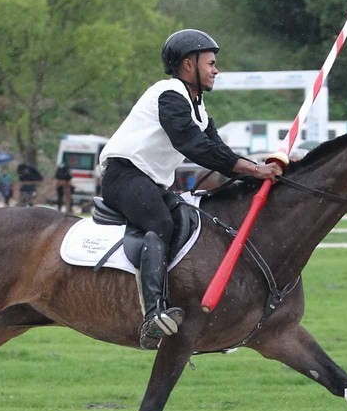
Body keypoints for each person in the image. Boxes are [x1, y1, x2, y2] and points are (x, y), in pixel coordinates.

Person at [99, 28, 283, 348]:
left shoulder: (198, 109)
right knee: (160, 223)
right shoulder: (169, 94)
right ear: (188, 65)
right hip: (124, 177)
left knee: (194, 219)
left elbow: (220, 154)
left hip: (149, 182)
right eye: (210, 63)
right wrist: (253, 169)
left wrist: (262, 175)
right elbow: (194, 146)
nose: (216, 70)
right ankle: (153, 314)